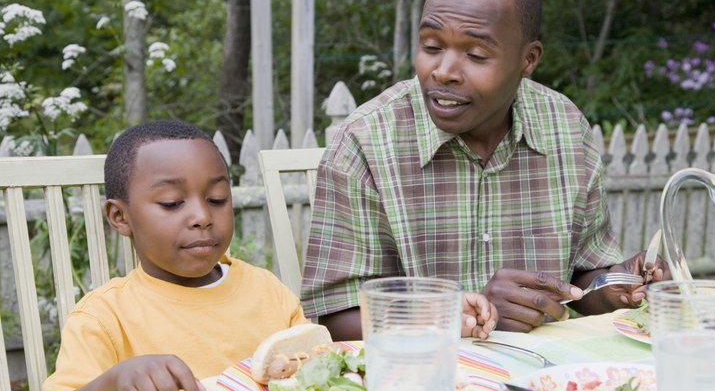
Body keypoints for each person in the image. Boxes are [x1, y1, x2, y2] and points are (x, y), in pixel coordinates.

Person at [301, 0, 670, 341]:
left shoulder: (565, 128)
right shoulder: (366, 142)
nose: (443, 71)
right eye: (431, 46)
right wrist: (454, 315)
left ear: (528, 59)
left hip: (545, 372)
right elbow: (338, 318)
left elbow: (582, 276)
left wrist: (612, 287)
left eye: (476, 54)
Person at [43, 120, 498, 391]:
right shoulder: (104, 317)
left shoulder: (265, 290)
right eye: (172, 204)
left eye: (218, 199)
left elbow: (322, 366)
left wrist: (430, 319)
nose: (202, 217)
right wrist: (115, 380)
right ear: (120, 218)